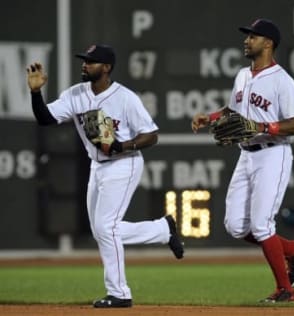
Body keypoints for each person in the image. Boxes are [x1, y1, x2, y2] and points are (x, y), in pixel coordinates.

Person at [26, 44, 184, 308]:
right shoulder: (75, 94)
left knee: (106, 228)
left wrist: (122, 146)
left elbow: (151, 135)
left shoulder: (125, 98)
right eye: (84, 61)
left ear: (106, 68)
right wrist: (35, 92)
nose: (85, 65)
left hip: (125, 163)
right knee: (102, 230)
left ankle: (120, 293)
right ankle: (161, 230)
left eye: (91, 61)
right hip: (97, 165)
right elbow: (45, 118)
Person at [191, 18, 294, 303]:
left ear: (268, 43)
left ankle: (286, 290)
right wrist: (211, 117)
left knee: (261, 225)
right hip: (247, 155)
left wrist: (264, 127)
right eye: (247, 37)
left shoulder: (282, 80)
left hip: (273, 154)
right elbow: (232, 110)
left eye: (253, 37)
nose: (247, 41)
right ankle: (293, 250)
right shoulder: (243, 75)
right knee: (235, 226)